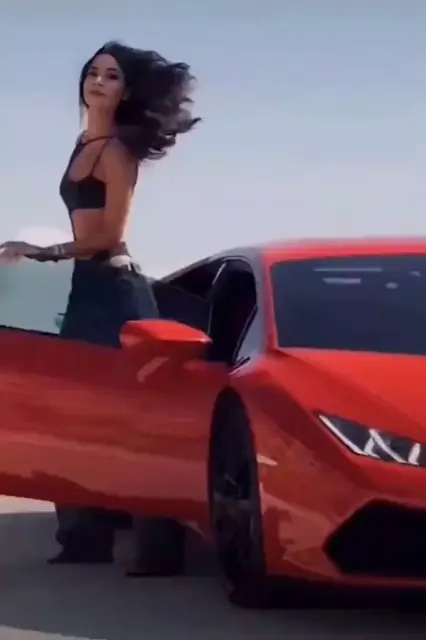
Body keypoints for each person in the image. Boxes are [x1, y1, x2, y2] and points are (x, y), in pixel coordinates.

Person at [0, 41, 200, 570]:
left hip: (116, 288)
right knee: (73, 412)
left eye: (111, 76)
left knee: (136, 417)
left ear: (126, 90)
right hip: (86, 287)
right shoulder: (82, 143)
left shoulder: (116, 151)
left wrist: (42, 252)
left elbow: (108, 235)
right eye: (93, 72)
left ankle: (159, 549)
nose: (98, 82)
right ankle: (83, 539)